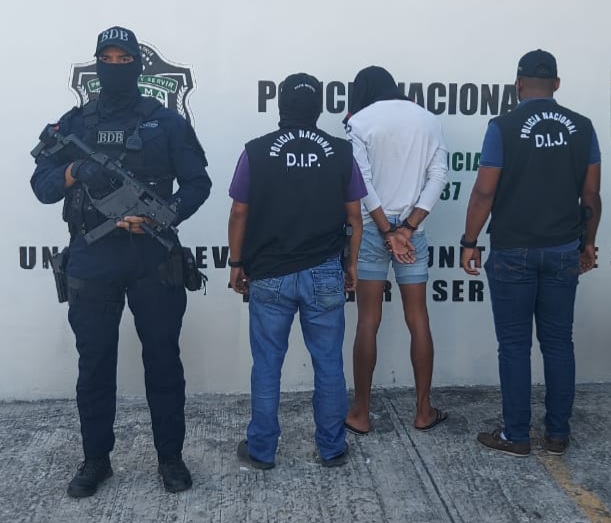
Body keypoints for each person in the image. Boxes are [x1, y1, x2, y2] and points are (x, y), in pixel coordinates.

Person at [30, 26, 212, 496]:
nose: (114, 67)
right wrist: (75, 170)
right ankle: (96, 460)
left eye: (123, 59)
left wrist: (163, 215)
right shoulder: (75, 124)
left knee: (163, 361)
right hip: (92, 257)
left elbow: (198, 183)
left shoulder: (166, 122)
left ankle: (170, 457)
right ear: (96, 65)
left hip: (152, 255)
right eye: (106, 59)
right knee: (94, 365)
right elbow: (42, 186)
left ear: (137, 64)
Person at [461, 49, 601, 457]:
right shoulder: (583, 127)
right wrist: (588, 242)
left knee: (514, 345)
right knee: (558, 343)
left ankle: (516, 435)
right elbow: (591, 195)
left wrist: (469, 241)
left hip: (512, 252)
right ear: (556, 84)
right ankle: (557, 434)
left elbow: (483, 191)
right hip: (563, 250)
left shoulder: (502, 126)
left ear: (518, 84)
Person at [228, 72, 366, 469]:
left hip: (269, 273)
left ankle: (262, 450)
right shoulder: (340, 152)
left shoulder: (256, 151)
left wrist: (236, 263)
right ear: (318, 108)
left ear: (281, 105)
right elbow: (354, 218)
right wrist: (351, 265)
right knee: (329, 363)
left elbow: (239, 212)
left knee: (267, 365)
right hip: (324, 271)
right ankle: (332, 448)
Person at [343, 66, 449, 435]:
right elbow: (439, 176)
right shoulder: (428, 120)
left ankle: (360, 412)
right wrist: (407, 227)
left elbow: (361, 182)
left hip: (372, 231)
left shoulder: (359, 122)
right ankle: (423, 410)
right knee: (418, 318)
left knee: (367, 321)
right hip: (410, 232)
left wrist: (387, 230)